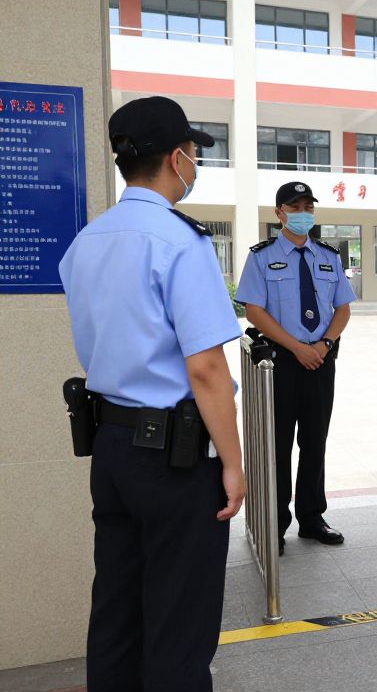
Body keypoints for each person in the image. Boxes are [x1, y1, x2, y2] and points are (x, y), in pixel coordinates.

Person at [58, 96, 246, 692]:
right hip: (175, 457)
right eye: (192, 151)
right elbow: (208, 370)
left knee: (116, 610)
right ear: (176, 157)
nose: (194, 162)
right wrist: (235, 465)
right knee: (179, 623)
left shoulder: (88, 240)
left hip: (111, 449)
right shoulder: (179, 241)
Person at [235, 182, 356, 555]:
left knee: (314, 442)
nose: (303, 212)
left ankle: (312, 518)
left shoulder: (328, 256)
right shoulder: (261, 257)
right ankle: (275, 523)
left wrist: (324, 345)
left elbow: (343, 308)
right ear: (279, 213)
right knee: (278, 444)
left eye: (308, 206)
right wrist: (297, 348)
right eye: (295, 206)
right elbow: (253, 310)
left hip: (320, 360)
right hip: (281, 364)